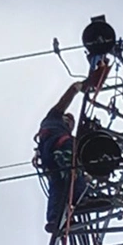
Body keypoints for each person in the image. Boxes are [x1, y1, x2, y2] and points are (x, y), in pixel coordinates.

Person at [34, 80, 91, 233]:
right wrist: (78, 87)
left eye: (70, 121)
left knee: (58, 184)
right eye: (67, 118)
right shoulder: (53, 118)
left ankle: (55, 218)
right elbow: (64, 101)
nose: (68, 121)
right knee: (72, 170)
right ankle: (82, 199)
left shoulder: (55, 130)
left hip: (50, 159)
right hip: (60, 149)